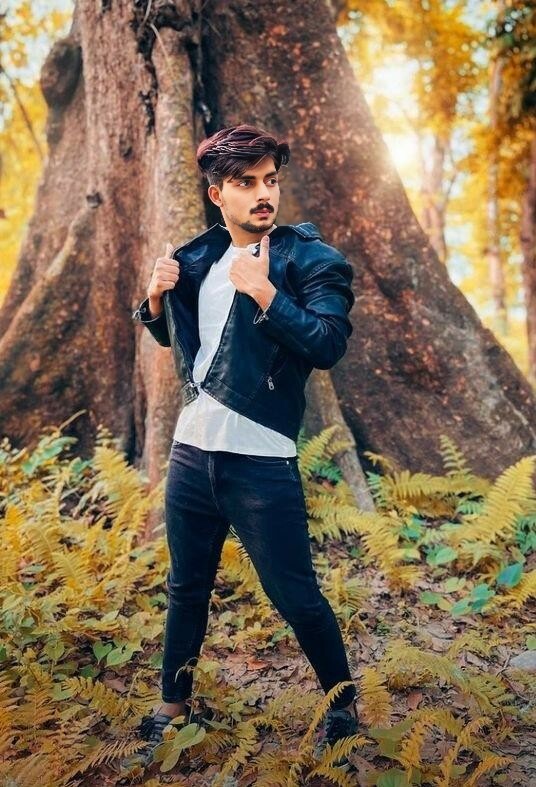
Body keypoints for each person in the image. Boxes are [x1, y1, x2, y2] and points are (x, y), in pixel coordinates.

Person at [127, 124, 359, 772]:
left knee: (296, 595)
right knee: (186, 587)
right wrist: (153, 299)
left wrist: (266, 293)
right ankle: (172, 707)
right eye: (246, 182)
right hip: (191, 453)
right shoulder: (197, 258)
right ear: (217, 193)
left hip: (261, 459)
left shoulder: (310, 260)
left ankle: (342, 705)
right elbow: (185, 345)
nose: (264, 194)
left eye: (270, 180)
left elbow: (328, 343)